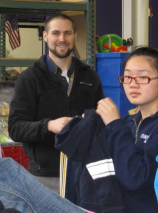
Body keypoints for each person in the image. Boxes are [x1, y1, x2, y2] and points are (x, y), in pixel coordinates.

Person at [8, 14, 104, 193]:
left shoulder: (90, 77)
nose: (62, 39)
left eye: (67, 33)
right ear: (46, 36)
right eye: (56, 33)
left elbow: (102, 122)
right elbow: (15, 128)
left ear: (75, 36)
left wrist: (95, 121)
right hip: (45, 178)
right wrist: (49, 125)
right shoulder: (30, 78)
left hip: (85, 173)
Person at [96, 47, 158, 213]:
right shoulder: (129, 122)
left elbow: (136, 178)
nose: (133, 84)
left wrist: (114, 125)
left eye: (142, 77)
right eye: (128, 77)